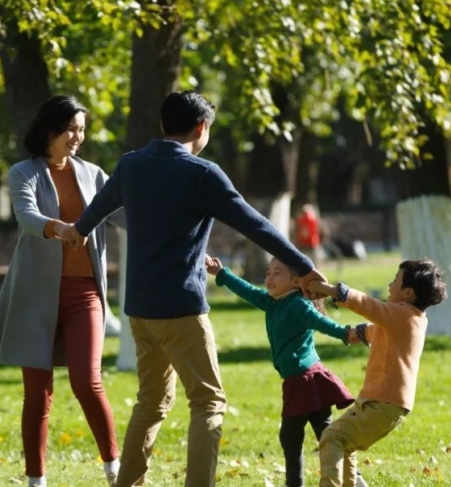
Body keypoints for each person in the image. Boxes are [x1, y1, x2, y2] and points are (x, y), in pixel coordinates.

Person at [61, 90, 327, 487]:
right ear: (201, 128)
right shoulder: (202, 173)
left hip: (140, 312)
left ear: (163, 125)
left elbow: (96, 209)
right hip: (183, 309)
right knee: (208, 403)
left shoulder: (131, 165)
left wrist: (77, 231)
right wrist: (304, 268)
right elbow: (256, 225)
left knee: (150, 403)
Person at [0, 95, 123, 487]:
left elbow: (124, 215)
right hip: (35, 295)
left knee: (87, 381)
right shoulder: (23, 173)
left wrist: (166, 227)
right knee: (38, 394)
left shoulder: (93, 174)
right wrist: (60, 227)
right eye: (70, 130)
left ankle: (116, 468)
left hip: (84, 295)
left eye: (81, 129)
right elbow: (27, 216)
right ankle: (36, 479)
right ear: (50, 131)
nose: (77, 137)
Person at [204, 255, 368, 487]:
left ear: (295, 281)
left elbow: (322, 323)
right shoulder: (272, 302)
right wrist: (221, 274)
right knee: (323, 434)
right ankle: (353, 478)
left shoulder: (298, 305)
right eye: (268, 272)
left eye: (277, 273)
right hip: (302, 380)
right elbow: (248, 291)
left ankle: (307, 481)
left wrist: (346, 334)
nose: (269, 277)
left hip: (305, 381)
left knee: (293, 438)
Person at [309, 258, 447, 487]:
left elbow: (368, 306)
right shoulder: (403, 321)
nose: (390, 285)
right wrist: (328, 326)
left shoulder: (402, 316)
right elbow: (364, 333)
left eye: (395, 280)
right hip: (382, 403)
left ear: (408, 293)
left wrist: (331, 290)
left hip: (383, 403)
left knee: (332, 437)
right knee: (344, 441)